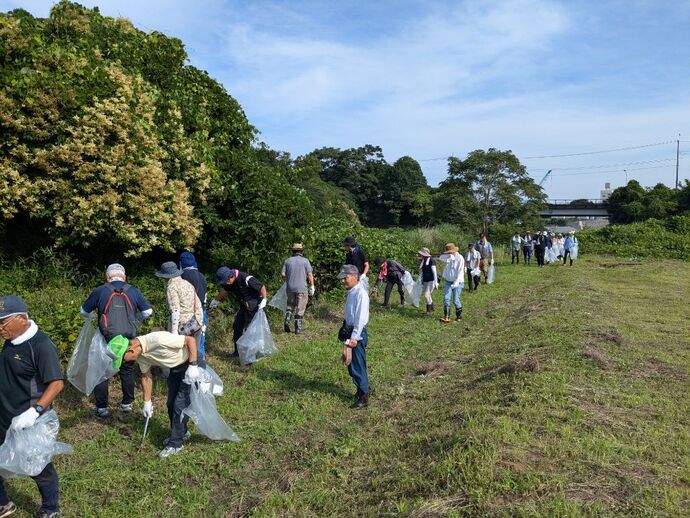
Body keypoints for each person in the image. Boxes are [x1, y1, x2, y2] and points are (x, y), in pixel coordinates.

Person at [0, 296, 65, 517]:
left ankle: (50, 508)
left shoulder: (41, 345)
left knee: (38, 467)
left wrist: (34, 411)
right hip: (3, 414)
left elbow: (56, 383)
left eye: (3, 322)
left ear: (21, 318)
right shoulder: (11, 339)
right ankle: (3, 504)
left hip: (26, 420)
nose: (0, 328)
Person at [80, 263, 153, 417]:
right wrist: (135, 320)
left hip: (106, 337)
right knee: (126, 370)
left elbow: (83, 311)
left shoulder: (100, 290)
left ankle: (102, 408)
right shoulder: (133, 290)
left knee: (102, 371)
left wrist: (93, 317)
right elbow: (148, 311)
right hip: (128, 338)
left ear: (107, 277)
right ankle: (127, 403)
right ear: (124, 277)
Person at [120, 331, 200, 458]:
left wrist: (193, 366)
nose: (124, 362)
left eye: (123, 359)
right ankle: (182, 432)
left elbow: (190, 340)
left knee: (179, 405)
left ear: (130, 350)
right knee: (170, 404)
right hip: (175, 369)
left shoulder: (158, 339)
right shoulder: (139, 356)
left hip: (190, 366)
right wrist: (147, 402)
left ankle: (175, 444)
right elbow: (146, 377)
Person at [209, 267, 267, 358]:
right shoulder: (229, 281)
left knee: (249, 331)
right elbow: (225, 291)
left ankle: (250, 355)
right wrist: (216, 300)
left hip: (254, 308)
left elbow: (261, 286)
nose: (226, 283)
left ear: (231, 276)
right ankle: (237, 352)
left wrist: (264, 299)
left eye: (226, 281)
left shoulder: (246, 278)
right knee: (237, 327)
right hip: (244, 307)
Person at [155, 262, 205, 367]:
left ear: (166, 276)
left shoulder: (172, 287)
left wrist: (174, 332)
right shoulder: (187, 283)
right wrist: (200, 321)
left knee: (180, 355)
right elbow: (198, 303)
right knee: (195, 352)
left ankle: (181, 378)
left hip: (182, 326)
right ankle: (200, 373)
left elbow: (175, 309)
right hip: (195, 323)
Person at [338, 265, 370, 410]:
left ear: (353, 276)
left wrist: (354, 338)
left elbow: (360, 318)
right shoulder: (352, 292)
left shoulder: (360, 294)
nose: (343, 281)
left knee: (357, 365)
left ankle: (364, 396)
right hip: (350, 331)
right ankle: (361, 389)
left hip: (357, 333)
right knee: (351, 365)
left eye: (345, 278)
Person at [281, 243, 315, 334]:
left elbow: (283, 274)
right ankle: (298, 328)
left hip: (290, 288)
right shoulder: (305, 261)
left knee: (290, 305)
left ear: (293, 251)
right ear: (301, 251)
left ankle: (287, 319)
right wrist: (312, 286)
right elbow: (310, 274)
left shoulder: (287, 261)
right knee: (300, 307)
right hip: (301, 288)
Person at [179, 251, 208, 359]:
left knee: (187, 343)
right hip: (202, 311)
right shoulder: (201, 275)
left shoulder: (184, 276)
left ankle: (188, 365)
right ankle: (201, 364)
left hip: (190, 314)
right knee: (200, 341)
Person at [438, 243, 465, 322]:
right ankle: (447, 317)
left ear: (454, 251)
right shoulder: (449, 257)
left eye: (450, 252)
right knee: (446, 298)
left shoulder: (460, 258)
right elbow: (440, 258)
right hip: (448, 281)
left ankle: (459, 317)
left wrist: (456, 282)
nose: (449, 253)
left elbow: (460, 272)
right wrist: (448, 255)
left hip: (458, 282)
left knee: (456, 300)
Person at [418, 248, 438, 315]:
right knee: (428, 294)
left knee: (427, 295)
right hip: (425, 280)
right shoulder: (424, 260)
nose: (421, 255)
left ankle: (428, 311)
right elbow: (422, 271)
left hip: (431, 281)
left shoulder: (431, 260)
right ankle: (432, 308)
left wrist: (436, 282)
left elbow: (434, 272)